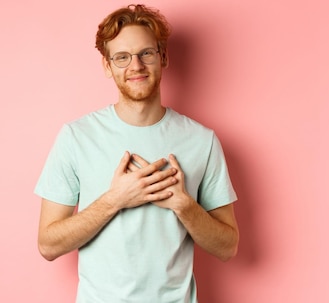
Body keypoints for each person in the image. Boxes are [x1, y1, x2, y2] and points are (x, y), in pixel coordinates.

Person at [35, 4, 239, 302]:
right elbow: (48, 245)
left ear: (163, 57)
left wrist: (184, 206)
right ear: (107, 66)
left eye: (146, 53)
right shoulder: (76, 137)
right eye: (122, 57)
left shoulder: (202, 140)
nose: (136, 66)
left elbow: (228, 247)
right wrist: (115, 199)